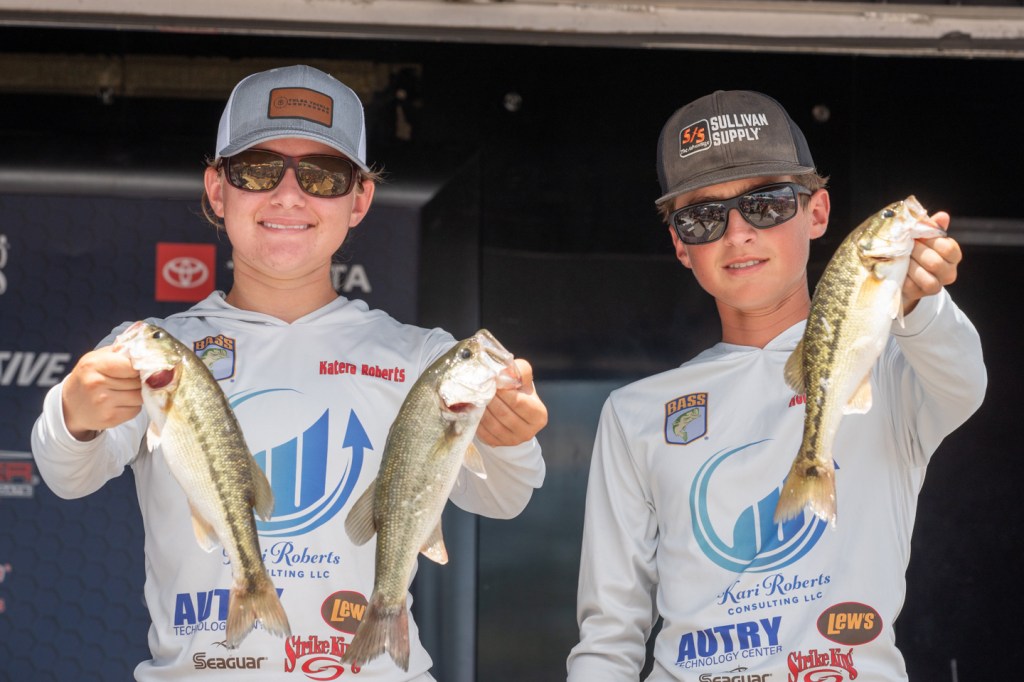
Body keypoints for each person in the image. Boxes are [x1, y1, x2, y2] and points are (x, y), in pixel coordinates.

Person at [31, 64, 548, 681]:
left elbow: (503, 497)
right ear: (217, 190)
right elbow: (67, 476)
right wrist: (73, 415)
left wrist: (511, 441)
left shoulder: (424, 358)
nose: (288, 195)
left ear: (359, 200)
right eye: (257, 170)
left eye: (322, 175)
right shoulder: (153, 350)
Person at [566, 90, 985, 681]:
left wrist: (922, 300)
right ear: (681, 244)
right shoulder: (634, 412)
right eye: (703, 217)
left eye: (765, 204)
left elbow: (964, 381)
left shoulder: (896, 365)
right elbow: (609, 634)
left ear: (817, 213)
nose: (738, 232)